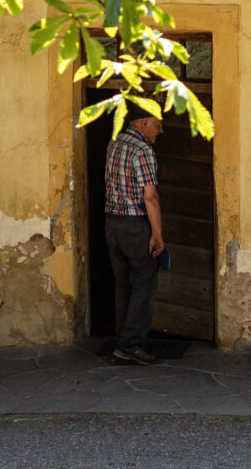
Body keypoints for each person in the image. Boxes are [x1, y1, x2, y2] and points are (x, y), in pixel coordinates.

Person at [104, 107, 165, 365]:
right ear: (144, 123)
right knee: (144, 282)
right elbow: (150, 197)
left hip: (112, 223)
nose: (161, 131)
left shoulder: (115, 142)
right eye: (157, 125)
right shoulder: (142, 150)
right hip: (135, 225)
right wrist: (157, 235)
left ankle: (122, 339)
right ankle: (131, 344)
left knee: (123, 283)